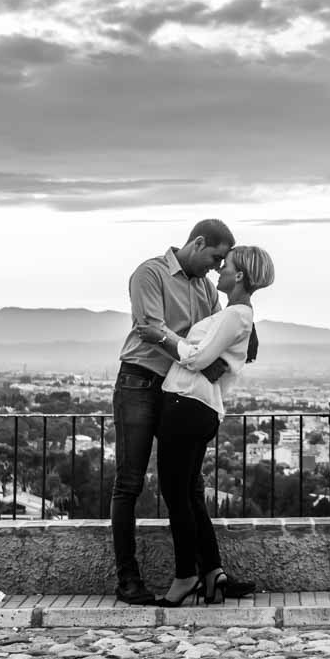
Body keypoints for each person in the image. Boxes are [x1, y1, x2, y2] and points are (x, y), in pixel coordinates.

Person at [111, 219, 234, 605]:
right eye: (215, 257)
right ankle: (127, 579)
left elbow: (215, 333)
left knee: (188, 485)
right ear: (198, 243)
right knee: (130, 482)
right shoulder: (151, 273)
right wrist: (197, 358)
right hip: (140, 382)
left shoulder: (207, 291)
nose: (217, 267)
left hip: (177, 391)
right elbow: (149, 327)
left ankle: (206, 572)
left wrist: (206, 357)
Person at [154, 244, 275, 607]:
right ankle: (212, 573)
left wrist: (169, 340)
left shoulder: (237, 314)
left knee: (176, 496)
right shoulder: (238, 315)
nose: (219, 270)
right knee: (189, 494)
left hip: (186, 404)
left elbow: (202, 357)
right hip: (199, 406)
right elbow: (213, 360)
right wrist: (193, 349)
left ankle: (185, 575)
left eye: (227, 266)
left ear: (239, 276)